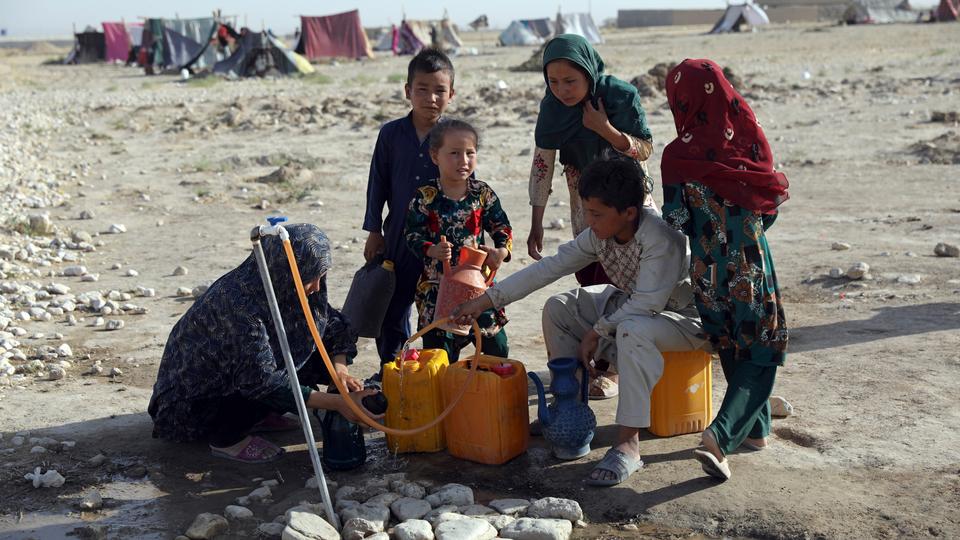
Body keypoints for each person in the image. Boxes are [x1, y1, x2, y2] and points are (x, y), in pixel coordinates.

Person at [453, 157, 706, 486]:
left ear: (629, 212)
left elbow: (648, 304)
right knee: (560, 307)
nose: (588, 221)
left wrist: (597, 332)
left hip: (684, 319)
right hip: (636, 308)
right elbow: (549, 268)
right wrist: (485, 300)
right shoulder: (600, 234)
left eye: (596, 214)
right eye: (587, 211)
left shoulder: (660, 238)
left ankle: (627, 445)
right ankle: (568, 411)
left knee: (631, 329)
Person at [148, 224, 379, 464]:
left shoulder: (288, 285)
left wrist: (338, 372)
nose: (317, 287)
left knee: (313, 350)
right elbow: (261, 381)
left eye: (321, 275)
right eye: (310, 278)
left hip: (244, 377)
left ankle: (261, 414)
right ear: (285, 270)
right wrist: (338, 403)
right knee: (265, 382)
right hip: (193, 406)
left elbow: (332, 325)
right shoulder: (240, 306)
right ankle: (228, 438)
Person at [660, 59, 790, 481]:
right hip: (749, 264)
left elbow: (676, 219)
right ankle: (719, 436)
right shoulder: (749, 142)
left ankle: (757, 430)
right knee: (761, 347)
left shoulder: (677, 157)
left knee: (734, 345)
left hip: (706, 270)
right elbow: (767, 210)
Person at [527, 34, 656, 399]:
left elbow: (644, 149)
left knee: (632, 282)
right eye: (553, 81)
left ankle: (617, 369)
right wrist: (536, 219)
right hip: (586, 210)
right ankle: (598, 363)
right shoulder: (552, 111)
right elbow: (542, 166)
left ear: (588, 72)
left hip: (631, 209)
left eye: (571, 80)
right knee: (593, 283)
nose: (562, 90)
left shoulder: (619, 97)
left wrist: (605, 130)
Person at [363, 48, 457, 374]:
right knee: (393, 305)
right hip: (399, 235)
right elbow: (378, 183)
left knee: (438, 309)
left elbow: (468, 190)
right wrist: (374, 230)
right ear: (408, 91)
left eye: (439, 90)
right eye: (422, 89)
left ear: (451, 94)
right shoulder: (390, 135)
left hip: (442, 241)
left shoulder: (454, 137)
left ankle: (438, 372)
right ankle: (394, 368)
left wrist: (472, 240)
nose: (431, 97)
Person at [405, 119, 513, 361]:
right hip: (436, 286)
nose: (463, 161)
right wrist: (432, 250)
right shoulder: (425, 196)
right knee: (439, 354)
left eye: (469, 153)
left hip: (478, 284)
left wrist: (501, 252)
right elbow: (411, 235)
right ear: (435, 156)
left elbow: (502, 226)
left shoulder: (481, 193)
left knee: (496, 347)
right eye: (454, 153)